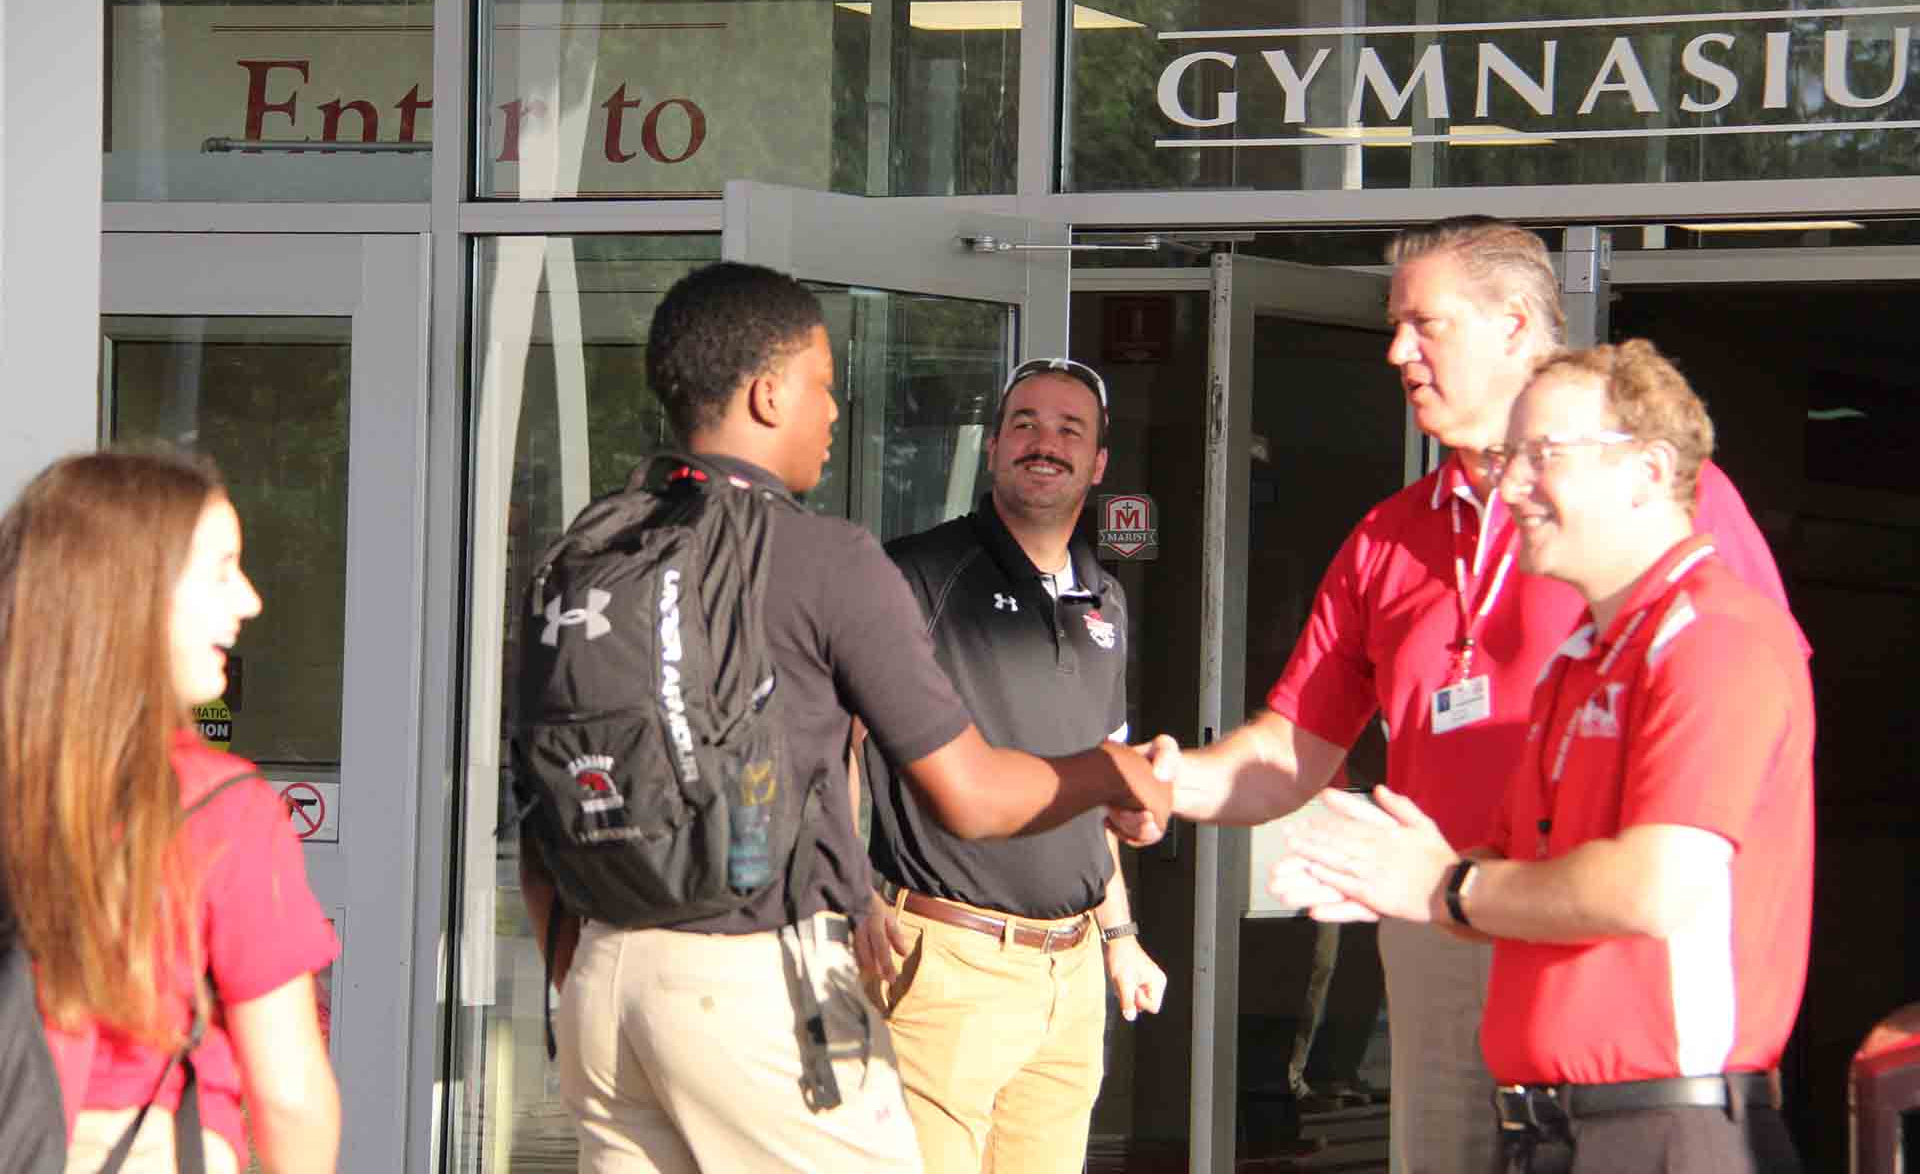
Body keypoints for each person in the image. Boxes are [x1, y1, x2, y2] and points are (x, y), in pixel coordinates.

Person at [1120, 217, 1804, 1174]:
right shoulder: (1390, 535)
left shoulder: (1673, 533)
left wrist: (1460, 881)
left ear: (1518, 326)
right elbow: (1295, 745)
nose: (1397, 351)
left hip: (1604, 948)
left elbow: (1736, 762)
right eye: (1394, 326)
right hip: (1445, 928)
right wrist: (1169, 782)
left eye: (1423, 324)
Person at [520, 261, 1172, 1174]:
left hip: (601, 977)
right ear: (768, 392)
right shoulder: (834, 558)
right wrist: (1114, 773)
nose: (835, 414)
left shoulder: (583, 553)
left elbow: (542, 811)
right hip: (755, 974)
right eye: (824, 388)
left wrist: (608, 978)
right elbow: (973, 796)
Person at [1277, 340, 1811, 1172]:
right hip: (1559, 1129)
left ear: (1646, 470)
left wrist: (1446, 885)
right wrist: (1395, 871)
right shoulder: (1584, 658)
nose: (1512, 486)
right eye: (1510, 456)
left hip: (1667, 1127)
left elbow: (1652, 888)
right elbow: (1518, 866)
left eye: (1544, 457)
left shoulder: (1714, 637)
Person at [854, 356, 1168, 1174]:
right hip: (946, 963)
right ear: (994, 447)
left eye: (1071, 430)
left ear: (1098, 465)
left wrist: (1120, 935)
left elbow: (1094, 785)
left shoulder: (1107, 599)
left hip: (1068, 978)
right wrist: (848, 893)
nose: (1046, 443)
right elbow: (833, 745)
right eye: (1026, 423)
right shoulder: (915, 574)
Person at [0, 451, 341, 1174]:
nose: (249, 600)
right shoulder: (220, 809)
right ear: (130, 592)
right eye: (221, 570)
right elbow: (288, 1096)